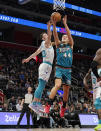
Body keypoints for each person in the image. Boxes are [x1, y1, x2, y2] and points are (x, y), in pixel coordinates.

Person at [22, 21, 54, 114]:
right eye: (45, 35)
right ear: (44, 38)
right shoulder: (46, 42)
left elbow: (35, 53)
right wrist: (49, 26)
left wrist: (28, 59)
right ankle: (34, 103)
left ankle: (37, 103)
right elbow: (50, 34)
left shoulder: (43, 45)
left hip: (46, 66)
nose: (47, 35)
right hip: (46, 65)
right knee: (41, 85)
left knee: (42, 86)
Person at [48, 15, 74, 117]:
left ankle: (63, 107)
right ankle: (48, 104)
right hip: (59, 68)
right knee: (57, 85)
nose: (64, 36)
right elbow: (55, 35)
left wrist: (65, 24)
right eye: (63, 36)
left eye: (66, 36)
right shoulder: (58, 44)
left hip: (68, 70)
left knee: (66, 92)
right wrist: (54, 25)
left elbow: (69, 34)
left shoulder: (70, 44)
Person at [83, 48, 101, 131]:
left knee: (98, 103)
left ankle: (100, 124)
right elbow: (85, 77)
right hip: (95, 89)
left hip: (99, 87)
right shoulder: (92, 68)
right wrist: (85, 82)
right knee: (97, 106)